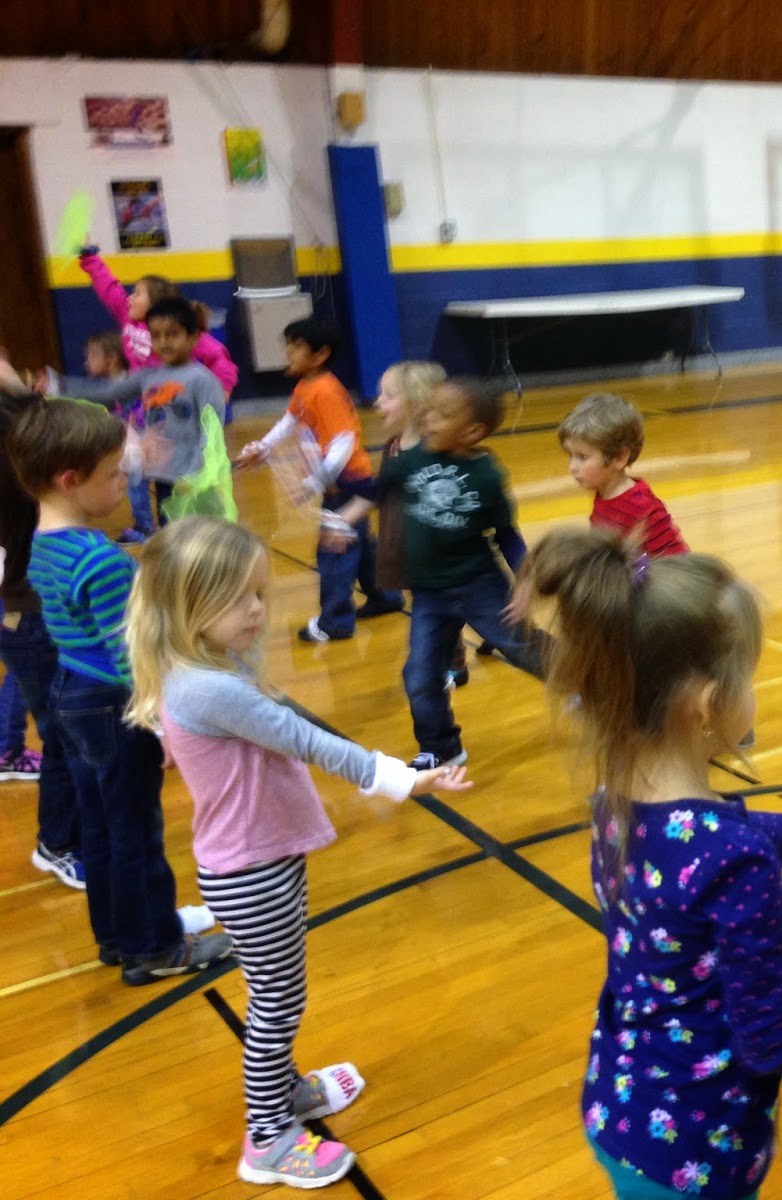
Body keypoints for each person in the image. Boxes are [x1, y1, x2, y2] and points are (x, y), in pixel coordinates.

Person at [525, 526, 782, 1199]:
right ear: (707, 704)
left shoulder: (615, 802)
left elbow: (698, 836)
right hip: (696, 1149)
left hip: (619, 1100)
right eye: (747, 676)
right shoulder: (736, 860)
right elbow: (771, 1034)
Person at [124, 515, 470, 1189]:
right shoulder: (210, 685)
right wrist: (403, 777)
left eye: (260, 592)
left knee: (276, 992)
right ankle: (268, 1138)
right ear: (190, 606)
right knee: (277, 1002)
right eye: (240, 599)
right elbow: (306, 738)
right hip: (252, 871)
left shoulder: (196, 666)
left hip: (259, 860)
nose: (260, 609)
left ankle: (284, 1096)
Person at [12, 396, 233, 981]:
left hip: (72, 695)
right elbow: (130, 653)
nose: (123, 484)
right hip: (112, 703)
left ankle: (119, 934)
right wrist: (162, 723)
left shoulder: (44, 541)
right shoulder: (98, 560)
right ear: (69, 480)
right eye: (113, 475)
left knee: (102, 825)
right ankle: (153, 947)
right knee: (135, 829)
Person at [329, 377, 545, 769]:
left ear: (472, 431)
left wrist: (526, 582)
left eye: (443, 415)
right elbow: (378, 490)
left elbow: (507, 535)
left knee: (523, 648)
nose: (428, 418)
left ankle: (588, 682)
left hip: (480, 584)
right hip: (429, 593)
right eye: (429, 409)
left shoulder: (487, 475)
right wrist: (343, 517)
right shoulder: (410, 459)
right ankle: (442, 747)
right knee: (420, 675)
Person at [233, 317, 403, 642]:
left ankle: (336, 621)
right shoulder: (306, 386)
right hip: (339, 482)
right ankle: (385, 596)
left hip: (348, 482)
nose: (288, 352)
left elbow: (342, 443)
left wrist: (313, 482)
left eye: (296, 346)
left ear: (321, 353)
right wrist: (262, 448)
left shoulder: (326, 390)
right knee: (359, 543)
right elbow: (289, 421)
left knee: (334, 551)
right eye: (288, 345)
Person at [0, 361, 81, 885]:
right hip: (27, 609)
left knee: (66, 731)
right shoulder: (16, 441)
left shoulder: (18, 425)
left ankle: (64, 838)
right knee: (67, 733)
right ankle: (59, 843)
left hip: (25, 605)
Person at [55, 298, 229, 528]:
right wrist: (57, 388)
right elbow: (108, 393)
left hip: (194, 480)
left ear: (193, 337)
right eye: (156, 335)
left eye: (172, 334)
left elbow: (212, 431)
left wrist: (197, 474)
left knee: (203, 538)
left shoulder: (202, 379)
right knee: (174, 537)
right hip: (164, 477)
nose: (164, 342)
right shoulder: (148, 376)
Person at [369, 361, 468, 690]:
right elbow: (381, 490)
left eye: (388, 395)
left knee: (439, 606)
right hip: (402, 540)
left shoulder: (436, 452)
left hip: (434, 547)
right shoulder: (394, 447)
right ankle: (440, 658)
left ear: (416, 402)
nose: (377, 401)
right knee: (424, 603)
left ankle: (453, 664)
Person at [77, 247, 238, 391]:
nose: (130, 298)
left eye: (137, 293)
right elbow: (109, 288)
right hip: (144, 395)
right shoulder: (128, 317)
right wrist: (90, 257)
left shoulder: (176, 330)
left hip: (174, 396)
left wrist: (224, 389)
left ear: (155, 302)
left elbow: (217, 356)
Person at [559, 392, 688, 557]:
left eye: (582, 457)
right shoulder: (605, 492)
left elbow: (677, 561)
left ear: (619, 458)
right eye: (570, 455)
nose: (572, 467)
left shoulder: (640, 506)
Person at [80, 331, 149, 545]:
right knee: (134, 485)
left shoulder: (124, 386)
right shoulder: (108, 388)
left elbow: (136, 415)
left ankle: (145, 527)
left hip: (137, 444)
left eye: (92, 356)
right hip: (127, 444)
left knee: (137, 486)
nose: (86, 362)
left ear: (111, 359)